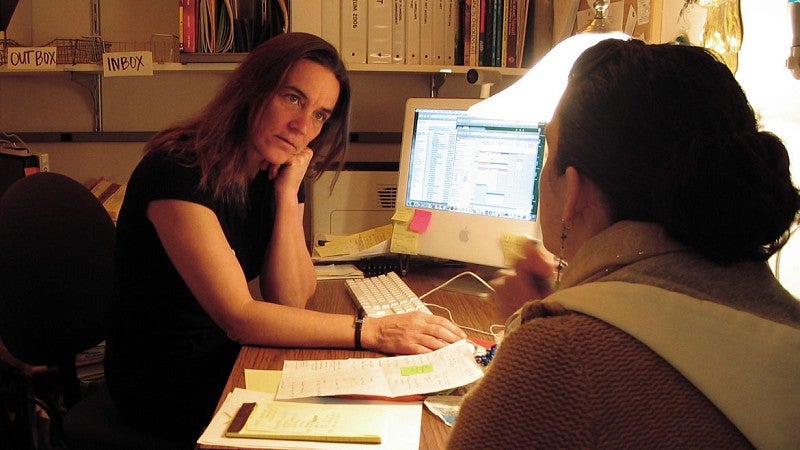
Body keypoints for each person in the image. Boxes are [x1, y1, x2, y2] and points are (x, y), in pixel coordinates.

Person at [104, 32, 466, 445]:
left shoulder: (274, 171)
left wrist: (285, 192)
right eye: (293, 98)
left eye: (320, 115)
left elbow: (292, 296)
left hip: (224, 356)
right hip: (164, 380)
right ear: (253, 90)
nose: (302, 126)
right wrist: (376, 331)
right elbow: (239, 317)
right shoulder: (177, 170)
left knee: (379, 406)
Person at [448, 39, 800, 449]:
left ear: (574, 190)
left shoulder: (559, 359)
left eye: (549, 151)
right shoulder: (781, 329)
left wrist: (537, 336)